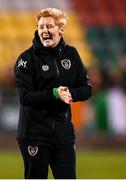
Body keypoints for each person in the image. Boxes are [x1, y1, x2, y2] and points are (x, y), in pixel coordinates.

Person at [14, 8, 92, 179]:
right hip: (34, 135)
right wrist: (55, 93)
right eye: (41, 27)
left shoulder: (71, 54)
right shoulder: (25, 60)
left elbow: (86, 89)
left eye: (49, 26)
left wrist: (69, 93)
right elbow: (25, 97)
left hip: (64, 136)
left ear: (60, 29)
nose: (44, 31)